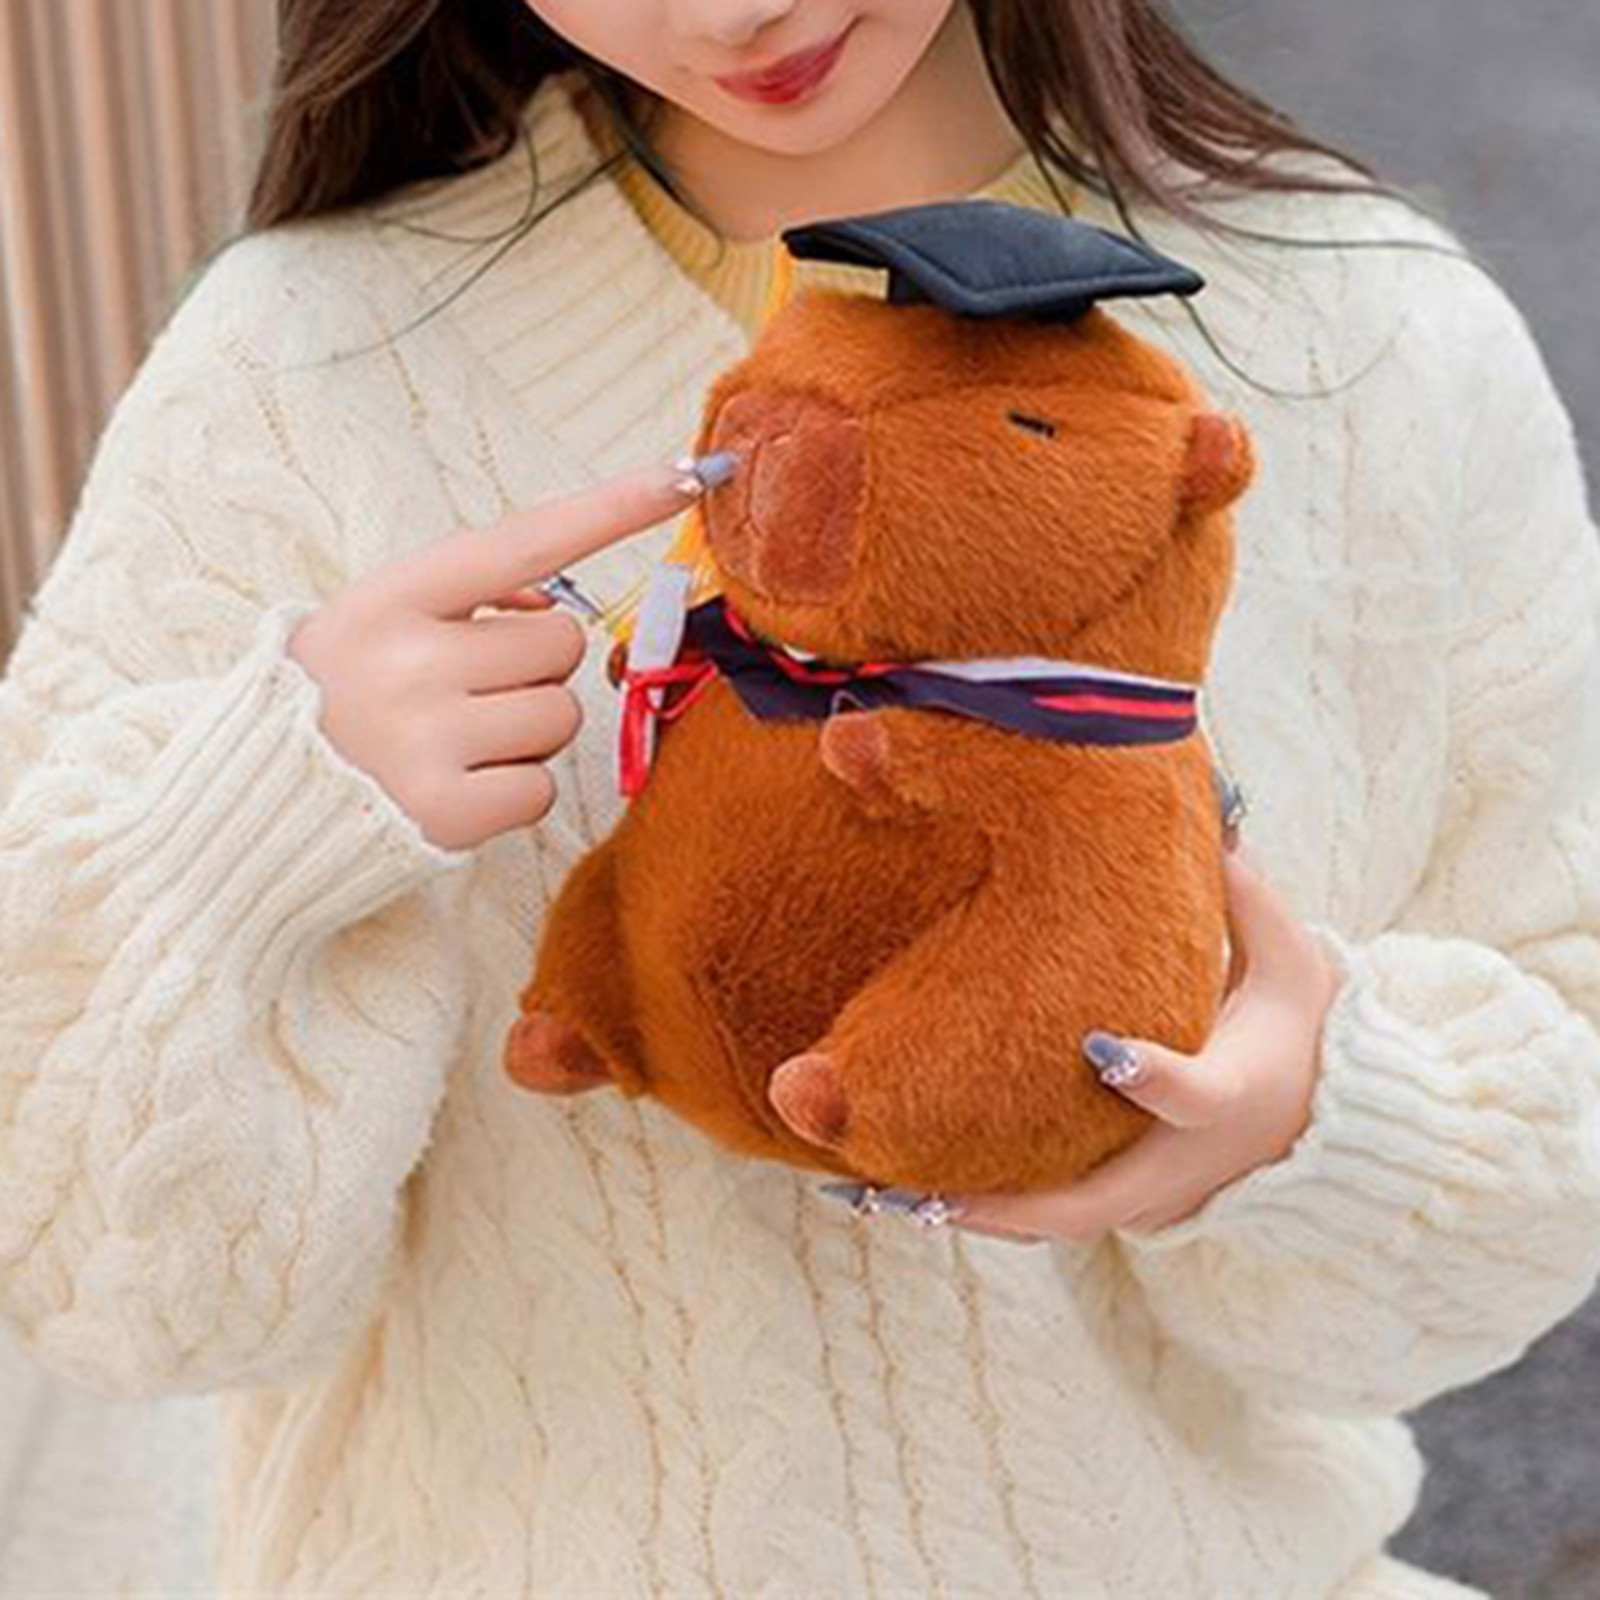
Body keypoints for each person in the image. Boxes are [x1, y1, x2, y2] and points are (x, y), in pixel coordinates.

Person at [1, 0, 1597, 1593]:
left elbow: (1553, 1107)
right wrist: (250, 829)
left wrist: (1325, 1127)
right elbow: (110, 1299)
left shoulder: (1375, 341)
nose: (728, 12)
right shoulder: (307, 364)